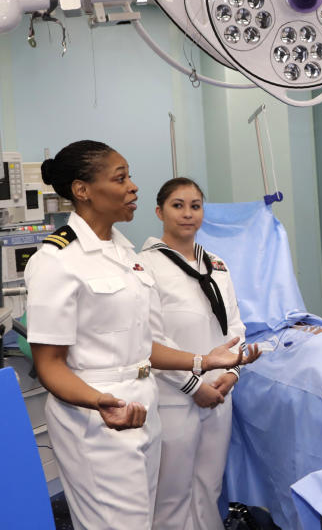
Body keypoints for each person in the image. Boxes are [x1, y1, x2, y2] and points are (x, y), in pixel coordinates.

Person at [25, 141, 260, 529]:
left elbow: (141, 346)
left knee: (148, 518)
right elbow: (49, 366)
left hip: (144, 407)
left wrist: (205, 361)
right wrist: (101, 401)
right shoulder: (56, 261)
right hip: (98, 415)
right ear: (82, 190)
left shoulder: (123, 254)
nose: (133, 187)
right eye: (121, 178)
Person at [139, 178, 246, 530]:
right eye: (178, 205)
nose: (188, 214)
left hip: (219, 393)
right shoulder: (144, 268)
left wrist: (232, 375)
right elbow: (150, 338)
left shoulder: (216, 265)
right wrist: (193, 386)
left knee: (208, 486)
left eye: (195, 206)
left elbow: (235, 326)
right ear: (159, 212)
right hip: (174, 395)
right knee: (171, 493)